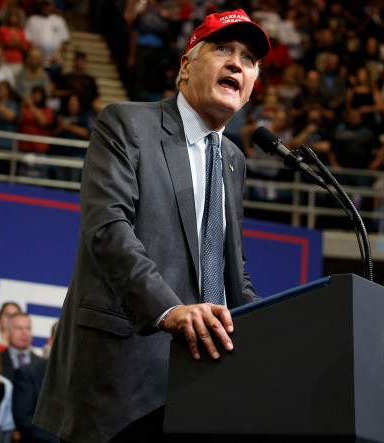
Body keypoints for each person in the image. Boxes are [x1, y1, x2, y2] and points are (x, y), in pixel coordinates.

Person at [33, 9, 268, 441]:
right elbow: (108, 229)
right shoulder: (127, 124)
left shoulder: (234, 160)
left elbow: (229, 269)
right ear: (185, 67)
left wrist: (274, 330)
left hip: (200, 385)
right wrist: (169, 310)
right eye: (223, 50)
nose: (237, 63)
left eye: (249, 59)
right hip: (122, 382)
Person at [0, 312, 44, 380]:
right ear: (8, 332)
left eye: (28, 328)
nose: (24, 333)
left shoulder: (41, 363)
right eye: (19, 328)